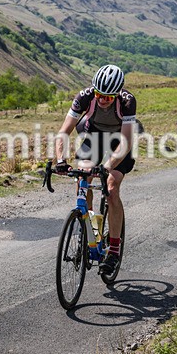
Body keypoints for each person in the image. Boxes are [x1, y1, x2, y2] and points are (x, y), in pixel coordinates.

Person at [53, 64, 136, 274]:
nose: (102, 100)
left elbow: (125, 141)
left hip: (120, 141)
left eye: (108, 97)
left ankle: (114, 251)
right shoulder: (84, 97)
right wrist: (61, 160)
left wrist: (107, 167)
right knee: (83, 176)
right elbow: (64, 131)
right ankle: (90, 231)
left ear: (116, 94)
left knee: (112, 187)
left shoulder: (127, 101)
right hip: (95, 136)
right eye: (99, 94)